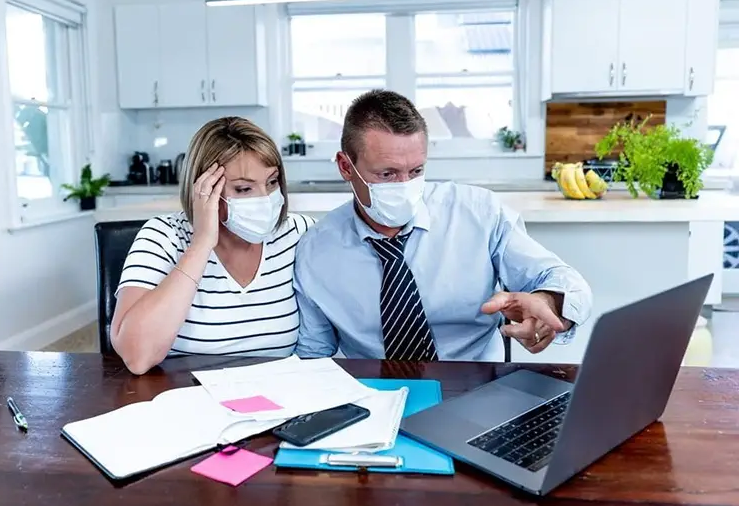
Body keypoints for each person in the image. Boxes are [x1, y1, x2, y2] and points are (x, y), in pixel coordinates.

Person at [294, 89, 592, 361]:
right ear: (346, 167)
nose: (405, 185)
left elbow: (564, 280)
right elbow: (314, 358)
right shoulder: (316, 250)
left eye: (416, 170)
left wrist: (549, 303)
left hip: (477, 385)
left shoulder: (478, 213)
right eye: (387, 174)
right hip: (375, 393)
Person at [111, 117, 314, 375]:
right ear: (203, 188)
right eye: (243, 189)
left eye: (272, 182)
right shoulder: (163, 237)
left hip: (278, 401)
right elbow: (137, 357)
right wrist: (202, 243)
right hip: (186, 399)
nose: (265, 199)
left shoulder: (298, 233)